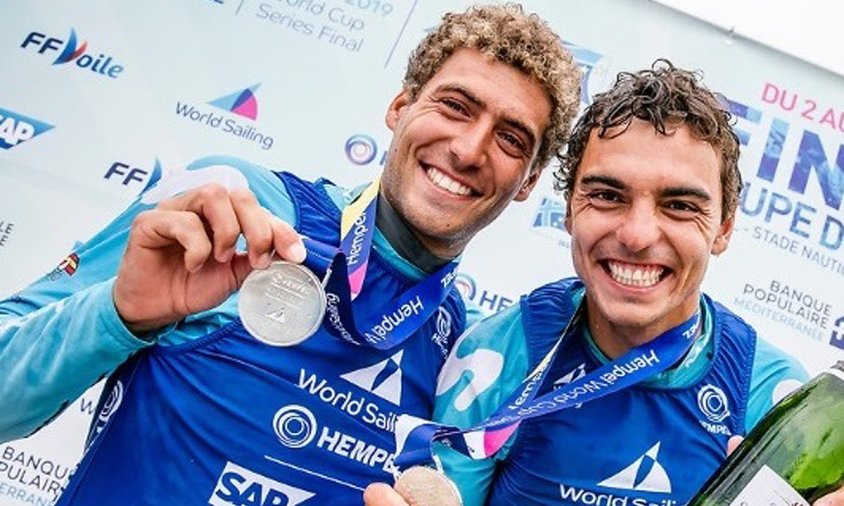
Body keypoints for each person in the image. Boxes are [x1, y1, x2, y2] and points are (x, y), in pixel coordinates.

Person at [0, 4, 580, 505]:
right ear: (400, 107)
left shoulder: (467, 353)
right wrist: (118, 315)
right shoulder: (235, 206)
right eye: (455, 106)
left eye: (511, 139)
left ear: (527, 183)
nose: (468, 148)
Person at [363, 61, 844, 506]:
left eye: (679, 205)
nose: (637, 236)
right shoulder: (500, 353)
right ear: (570, 209)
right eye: (608, 196)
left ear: (723, 228)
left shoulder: (766, 394)